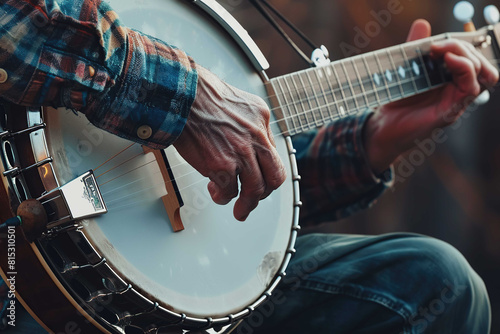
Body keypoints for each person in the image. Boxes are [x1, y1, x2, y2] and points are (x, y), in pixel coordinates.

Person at [0, 0, 498, 333]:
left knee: (433, 282)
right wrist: (183, 98)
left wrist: (370, 139)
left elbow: (208, 192)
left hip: (140, 308)